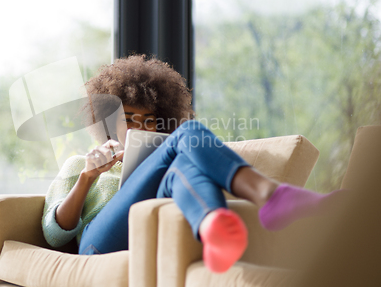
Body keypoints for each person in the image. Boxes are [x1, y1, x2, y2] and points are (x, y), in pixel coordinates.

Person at [42, 55, 339, 273]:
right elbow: (55, 235)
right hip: (97, 247)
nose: (139, 129)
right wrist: (87, 178)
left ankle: (215, 231)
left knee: (185, 167)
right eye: (129, 118)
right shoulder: (80, 164)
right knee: (189, 136)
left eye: (149, 121)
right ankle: (272, 197)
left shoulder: (158, 161)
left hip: (149, 236)